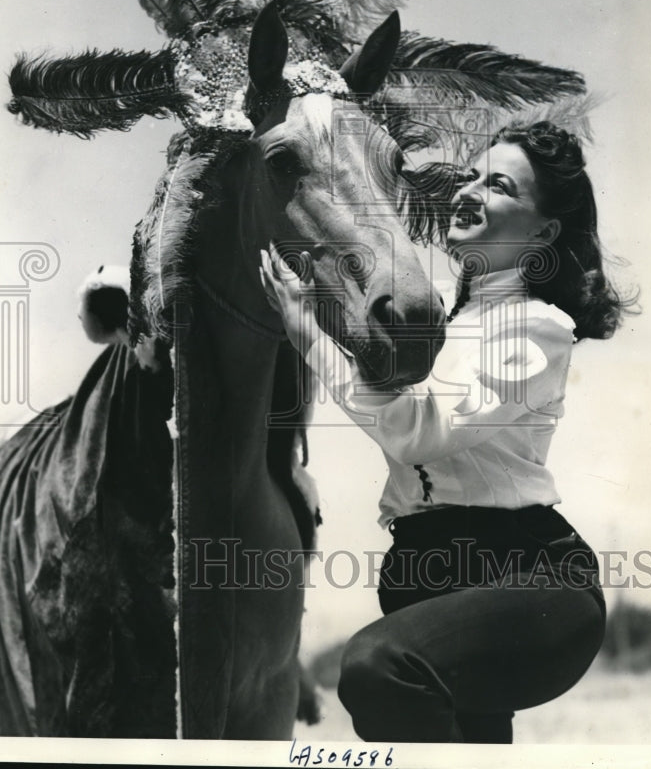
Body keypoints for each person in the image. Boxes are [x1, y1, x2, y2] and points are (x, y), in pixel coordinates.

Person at [259, 120, 632, 744]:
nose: (469, 191)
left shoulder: (538, 330)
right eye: (472, 175)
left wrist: (307, 333)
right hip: (425, 574)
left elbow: (417, 433)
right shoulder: (438, 315)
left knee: (377, 666)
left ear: (542, 232)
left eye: (499, 186)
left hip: (531, 580)